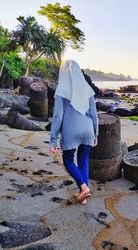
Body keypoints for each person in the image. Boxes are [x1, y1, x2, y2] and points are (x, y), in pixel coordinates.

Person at [49, 59, 99, 205]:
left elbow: (58, 117)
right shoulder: (87, 89)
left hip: (71, 130)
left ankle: (83, 188)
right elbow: (94, 114)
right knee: (83, 161)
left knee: (68, 160)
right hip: (88, 129)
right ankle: (84, 194)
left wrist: (53, 140)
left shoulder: (61, 90)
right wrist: (96, 133)